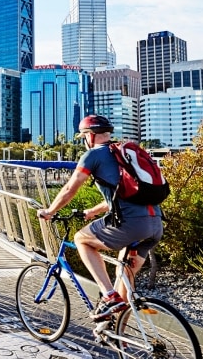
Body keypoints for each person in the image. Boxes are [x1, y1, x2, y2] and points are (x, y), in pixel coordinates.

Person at [37, 115, 164, 322]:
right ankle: (118, 332)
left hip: (130, 224)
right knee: (123, 271)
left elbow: (70, 188)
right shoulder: (123, 155)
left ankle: (108, 295)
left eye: (83, 136)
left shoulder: (93, 155)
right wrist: (94, 211)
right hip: (155, 224)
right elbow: (124, 193)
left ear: (90, 136)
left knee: (81, 239)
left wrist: (49, 211)